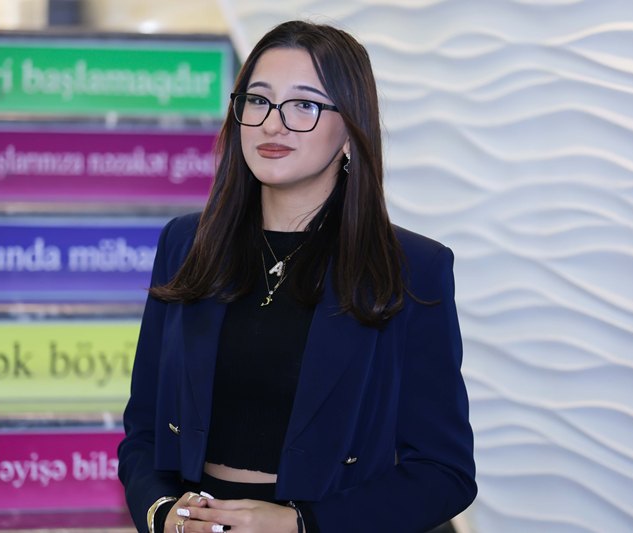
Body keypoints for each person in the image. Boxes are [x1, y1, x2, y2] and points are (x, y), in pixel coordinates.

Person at [118, 20, 476, 533]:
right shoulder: (187, 243)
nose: (273, 124)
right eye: (258, 101)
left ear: (350, 131)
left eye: (304, 105)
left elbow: (444, 473)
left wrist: (300, 524)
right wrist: (165, 513)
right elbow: (144, 431)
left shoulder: (411, 267)